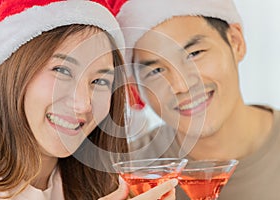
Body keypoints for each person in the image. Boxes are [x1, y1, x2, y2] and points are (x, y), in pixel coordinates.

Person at [0, 0, 179, 199]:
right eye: (62, 70)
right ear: (13, 72)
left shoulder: (106, 186)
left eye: (100, 81)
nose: (83, 104)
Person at [115, 0, 280, 199]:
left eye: (194, 54)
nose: (181, 86)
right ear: (134, 86)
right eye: (156, 70)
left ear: (236, 42)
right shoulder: (122, 177)